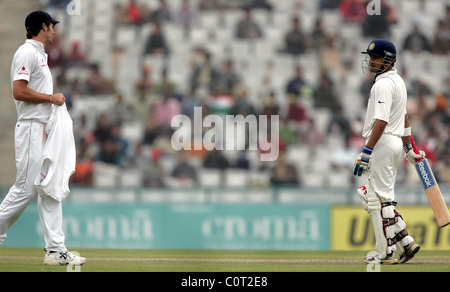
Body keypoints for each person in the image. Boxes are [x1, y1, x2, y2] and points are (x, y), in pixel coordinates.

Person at [0, 11, 85, 265]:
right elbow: (18, 91)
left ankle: (55, 249)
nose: (54, 31)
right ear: (43, 26)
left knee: (49, 187)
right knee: (26, 188)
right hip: (29, 128)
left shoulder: (38, 54)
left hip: (41, 128)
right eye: (52, 26)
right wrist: (51, 98)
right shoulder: (26, 53)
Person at [354, 39, 425, 265]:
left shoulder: (383, 84)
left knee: (379, 200)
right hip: (393, 143)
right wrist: (408, 147)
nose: (372, 61)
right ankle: (406, 243)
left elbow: (382, 120)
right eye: (371, 57)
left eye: (376, 57)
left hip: (383, 143)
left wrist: (367, 151)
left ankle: (387, 253)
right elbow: (404, 118)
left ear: (389, 59)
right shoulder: (398, 81)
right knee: (380, 198)